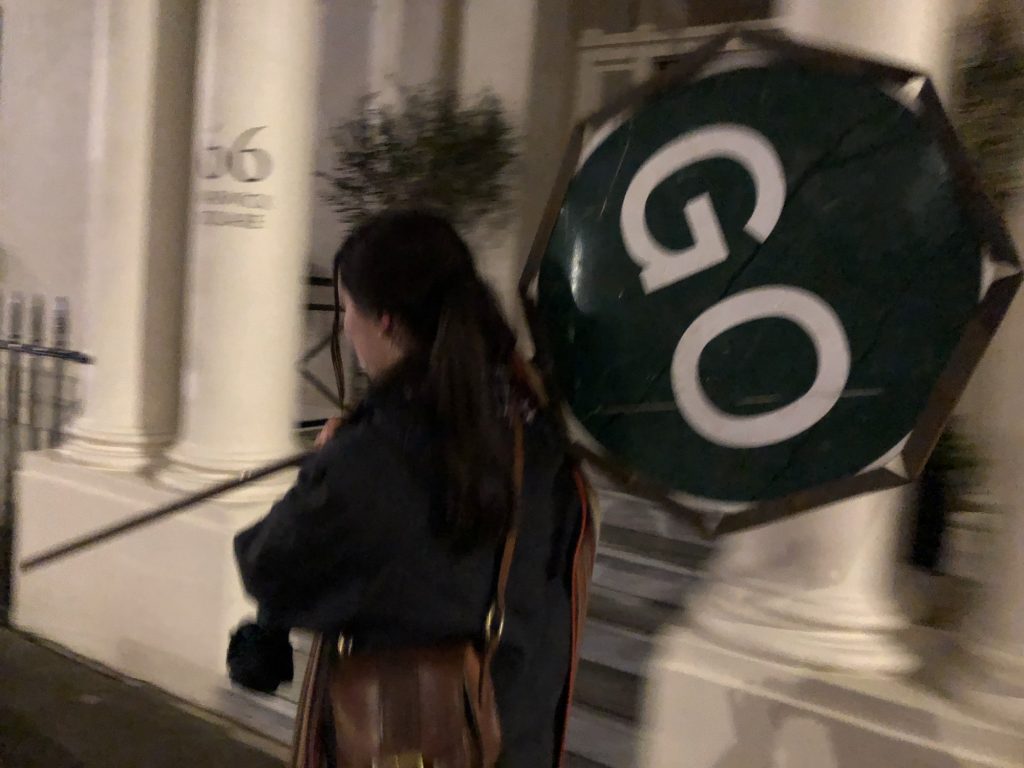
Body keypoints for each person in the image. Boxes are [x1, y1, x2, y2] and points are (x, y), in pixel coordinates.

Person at [230, 210, 595, 767]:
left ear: (384, 322)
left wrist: (329, 463)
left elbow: (270, 561)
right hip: (516, 736)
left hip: (407, 744)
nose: (345, 326)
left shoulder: (375, 457)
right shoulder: (534, 437)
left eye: (346, 309)